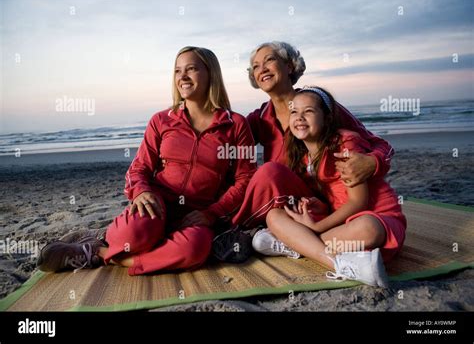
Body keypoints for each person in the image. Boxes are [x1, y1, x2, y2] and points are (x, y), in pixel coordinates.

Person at [37, 46, 257, 275]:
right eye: (177, 71)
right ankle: (108, 242)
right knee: (129, 236)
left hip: (198, 212)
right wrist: (141, 192)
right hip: (157, 204)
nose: (182, 77)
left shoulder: (236, 125)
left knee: (196, 249)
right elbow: (139, 167)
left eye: (191, 69)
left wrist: (211, 213)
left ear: (211, 73)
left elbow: (246, 179)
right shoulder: (161, 120)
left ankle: (100, 253)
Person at [231, 41, 395, 230]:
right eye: (256, 67)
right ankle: (245, 230)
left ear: (289, 66)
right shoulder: (259, 119)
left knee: (269, 171)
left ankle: (236, 230)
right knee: (267, 174)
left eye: (270, 60)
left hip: (327, 205)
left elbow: (382, 145)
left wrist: (373, 162)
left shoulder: (319, 106)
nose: (262, 69)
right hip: (292, 203)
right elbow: (226, 139)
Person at [253, 86, 406, 287]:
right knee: (274, 216)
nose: (299, 117)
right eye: (294, 112)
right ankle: (339, 262)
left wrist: (315, 227)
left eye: (308, 111)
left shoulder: (344, 143)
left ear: (326, 118)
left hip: (375, 217)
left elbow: (358, 202)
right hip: (337, 222)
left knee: (369, 229)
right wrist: (316, 206)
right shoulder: (302, 155)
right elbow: (330, 197)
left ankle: (296, 243)